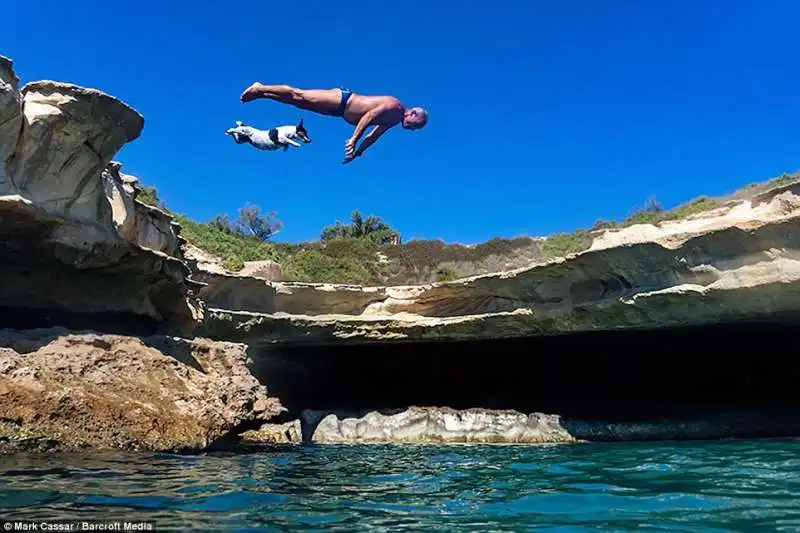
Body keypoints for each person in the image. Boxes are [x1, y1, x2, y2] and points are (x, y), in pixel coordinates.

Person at [239, 83, 428, 164]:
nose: (411, 128)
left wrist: (358, 152)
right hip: (343, 100)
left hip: (338, 112)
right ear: (412, 113)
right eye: (414, 124)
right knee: (299, 95)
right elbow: (369, 116)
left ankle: (262, 94)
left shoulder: (394, 121)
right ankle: (260, 88)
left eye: (414, 129)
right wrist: (354, 139)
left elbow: (374, 136)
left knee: (298, 103)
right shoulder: (394, 106)